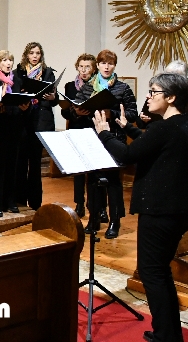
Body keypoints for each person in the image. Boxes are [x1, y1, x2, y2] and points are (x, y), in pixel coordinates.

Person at [93, 73, 188, 342]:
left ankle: (167, 336)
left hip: (161, 210)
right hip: (180, 208)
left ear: (171, 97)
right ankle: (168, 332)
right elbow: (150, 144)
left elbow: (129, 155)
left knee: (152, 272)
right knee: (160, 270)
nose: (149, 96)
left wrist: (105, 133)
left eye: (154, 92)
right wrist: (126, 127)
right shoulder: (186, 124)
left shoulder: (166, 127)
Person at [70, 49, 137, 239]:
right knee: (92, 181)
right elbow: (75, 108)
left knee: (113, 182)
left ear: (114, 66)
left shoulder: (122, 88)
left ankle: (115, 221)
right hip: (92, 138)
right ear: (97, 65)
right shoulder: (88, 87)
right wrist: (78, 112)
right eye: (103, 63)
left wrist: (112, 114)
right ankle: (93, 219)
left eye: (111, 63)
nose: (107, 67)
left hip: (114, 138)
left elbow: (132, 114)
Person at [0, 50, 30, 217]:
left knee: (12, 166)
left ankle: (10, 201)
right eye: (4, 60)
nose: (8, 63)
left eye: (10, 60)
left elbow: (20, 101)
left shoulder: (17, 81)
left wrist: (25, 107)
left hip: (14, 127)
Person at [61, 53, 106, 221]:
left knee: (97, 171)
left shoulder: (99, 85)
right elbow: (65, 111)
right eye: (81, 66)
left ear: (94, 68)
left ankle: (100, 207)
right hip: (76, 128)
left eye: (88, 67)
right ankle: (79, 204)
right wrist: (75, 112)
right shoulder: (70, 86)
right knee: (78, 171)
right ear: (77, 67)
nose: (84, 70)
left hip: (94, 130)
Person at [14, 42, 58, 211]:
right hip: (23, 119)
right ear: (26, 54)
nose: (34, 56)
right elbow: (15, 91)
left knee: (35, 164)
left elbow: (53, 100)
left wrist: (53, 97)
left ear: (41, 55)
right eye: (31, 53)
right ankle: (19, 199)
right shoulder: (19, 72)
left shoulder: (47, 73)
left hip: (40, 120)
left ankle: (35, 202)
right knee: (21, 162)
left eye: (37, 53)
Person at [137, 60, 188, 132]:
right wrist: (143, 119)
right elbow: (140, 124)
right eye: (166, 75)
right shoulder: (156, 95)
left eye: (173, 77)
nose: (167, 79)